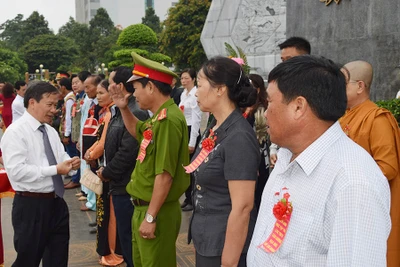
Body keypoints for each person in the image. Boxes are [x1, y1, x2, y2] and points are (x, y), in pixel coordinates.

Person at [247, 55, 391, 266]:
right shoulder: (289, 153)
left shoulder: (354, 185)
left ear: (298, 107)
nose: (265, 113)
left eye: (269, 102)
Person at [109, 52, 190, 267]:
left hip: (156, 211)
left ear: (151, 87)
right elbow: (138, 130)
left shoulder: (168, 120)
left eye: (136, 89)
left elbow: (165, 175)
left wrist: (151, 217)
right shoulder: (159, 117)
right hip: (145, 208)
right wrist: (123, 108)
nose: (134, 95)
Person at [186, 56, 259, 267]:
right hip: (208, 236)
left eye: (199, 85)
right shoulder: (214, 127)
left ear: (220, 89)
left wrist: (229, 260)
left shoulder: (239, 136)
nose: (196, 92)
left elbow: (243, 206)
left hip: (226, 243)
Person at [0, 81, 80, 266]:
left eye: (56, 105)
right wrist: (55, 169)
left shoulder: (50, 131)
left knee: (57, 259)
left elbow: (61, 157)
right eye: (50, 105)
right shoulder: (15, 132)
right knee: (28, 260)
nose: (54, 110)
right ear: (32, 102)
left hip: (56, 203)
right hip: (31, 206)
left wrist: (72, 163)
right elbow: (17, 171)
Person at [340, 60, 400, 267]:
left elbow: (389, 167)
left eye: (344, 83)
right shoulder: (344, 117)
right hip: (346, 206)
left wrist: (352, 180)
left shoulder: (377, 119)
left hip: (367, 207)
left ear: (360, 86)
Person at [97, 67, 149, 267]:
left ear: (119, 86)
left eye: (110, 82)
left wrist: (108, 173)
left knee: (129, 238)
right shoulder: (120, 109)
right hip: (119, 183)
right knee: (126, 238)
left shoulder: (136, 112)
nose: (108, 86)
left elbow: (128, 151)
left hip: (128, 184)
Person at [83, 79, 124, 266]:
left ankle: (112, 252)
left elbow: (103, 143)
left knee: (110, 214)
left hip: (109, 170)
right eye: (97, 93)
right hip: (105, 168)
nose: (98, 97)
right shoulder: (108, 112)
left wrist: (90, 153)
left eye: (101, 93)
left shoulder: (112, 114)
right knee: (105, 213)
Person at [269, 36, 312, 168]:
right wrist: (274, 148)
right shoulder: (282, 85)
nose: (285, 65)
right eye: (283, 60)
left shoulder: (315, 87)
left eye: (290, 60)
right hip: (285, 154)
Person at [179, 68, 202, 212]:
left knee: (191, 167)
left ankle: (193, 199)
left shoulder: (194, 94)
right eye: (182, 78)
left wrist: (192, 142)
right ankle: (188, 197)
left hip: (191, 131)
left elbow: (196, 118)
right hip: (184, 130)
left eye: (186, 78)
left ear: (193, 79)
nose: (184, 81)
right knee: (185, 167)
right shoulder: (184, 94)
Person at [247, 73, 270, 213]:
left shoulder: (261, 109)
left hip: (258, 153)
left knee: (259, 189)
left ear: (258, 89)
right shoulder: (246, 107)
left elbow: (260, 136)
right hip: (250, 153)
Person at [80, 75, 102, 213]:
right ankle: (92, 201)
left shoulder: (103, 107)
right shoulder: (89, 102)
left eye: (88, 87)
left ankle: (94, 204)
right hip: (89, 143)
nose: (85, 90)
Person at [58, 77, 80, 190]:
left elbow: (69, 118)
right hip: (68, 131)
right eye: (73, 83)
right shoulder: (68, 98)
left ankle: (75, 178)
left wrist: (67, 134)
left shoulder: (70, 99)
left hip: (70, 132)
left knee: (72, 156)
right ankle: (74, 177)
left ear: (63, 87)